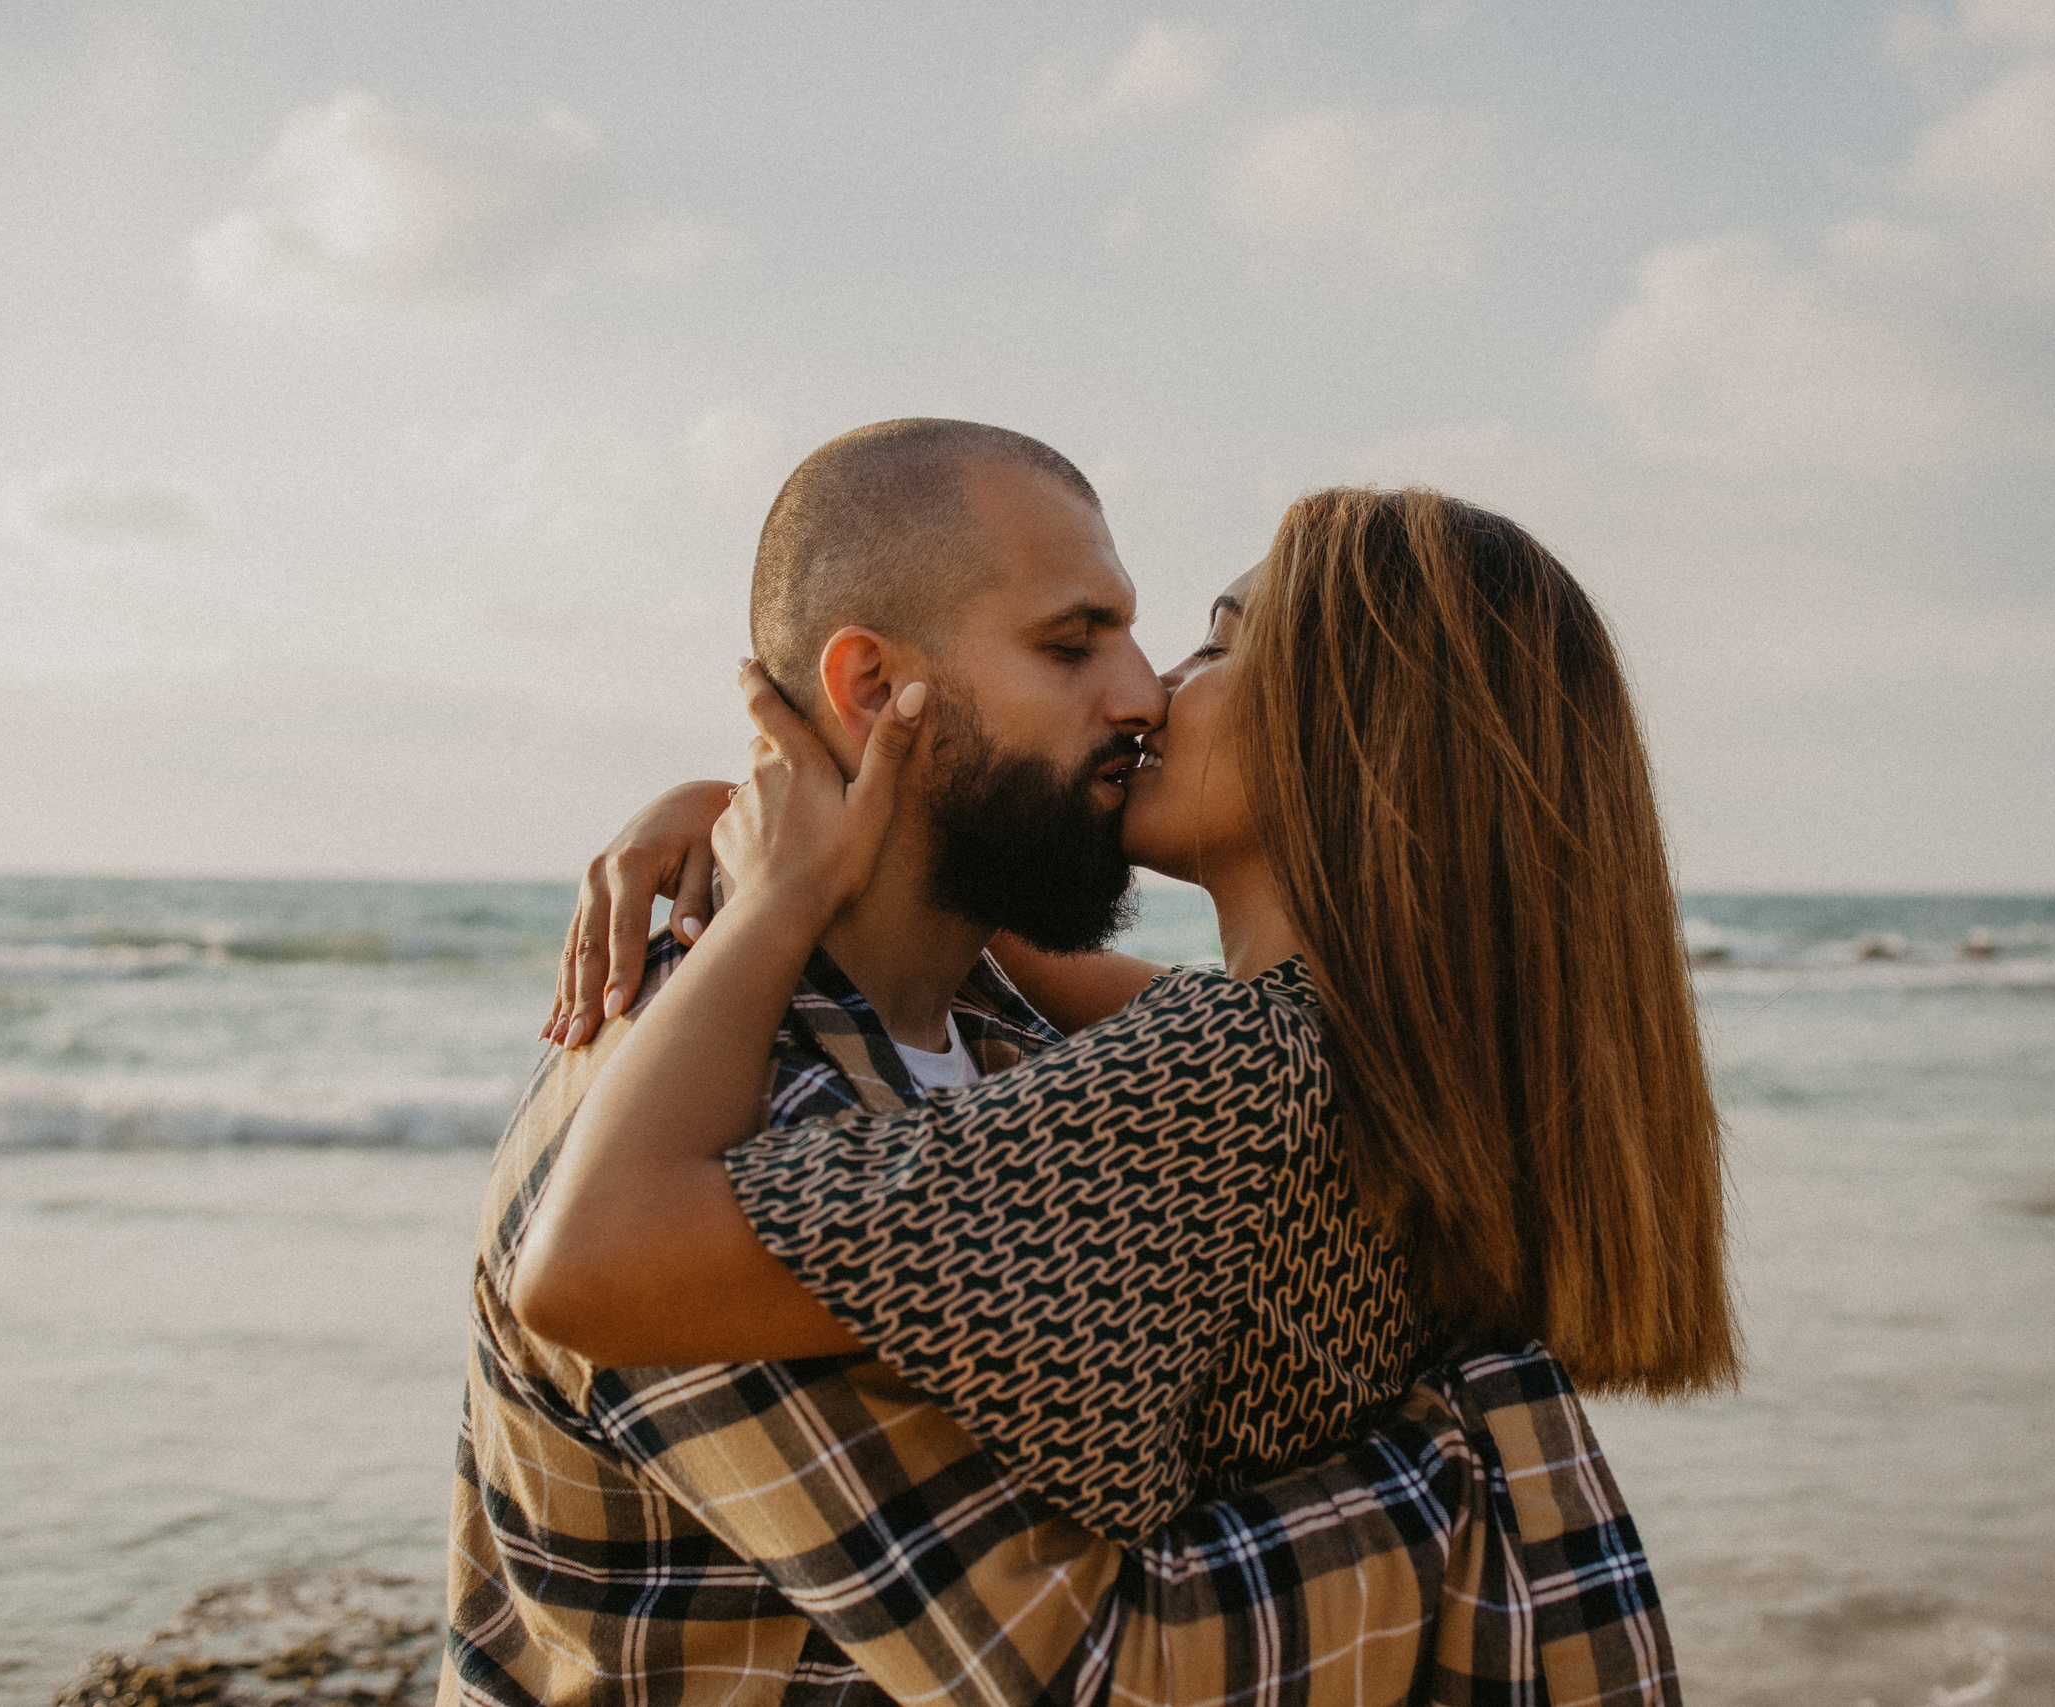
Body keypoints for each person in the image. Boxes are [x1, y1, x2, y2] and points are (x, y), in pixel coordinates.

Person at [444, 424, 1683, 1706]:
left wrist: (787, 878)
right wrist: (763, 844)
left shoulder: (1194, 1070)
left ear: (1361, 737)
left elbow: (598, 1264)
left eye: (1209, 644)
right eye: (1072, 644)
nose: (1150, 693)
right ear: (872, 686)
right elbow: (1028, 958)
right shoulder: (1336, 1059)